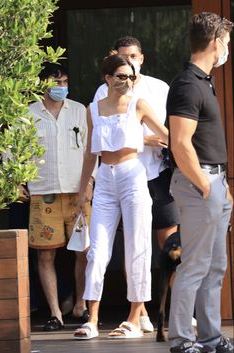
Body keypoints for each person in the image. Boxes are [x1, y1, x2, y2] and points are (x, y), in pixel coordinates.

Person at [73, 53, 168, 340]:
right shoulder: (93, 109)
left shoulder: (138, 104)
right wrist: (82, 189)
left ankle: (134, 318)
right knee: (98, 250)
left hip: (132, 174)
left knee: (137, 245)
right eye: (121, 76)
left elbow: (168, 135)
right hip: (104, 178)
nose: (127, 81)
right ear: (108, 78)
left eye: (131, 76)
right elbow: (91, 151)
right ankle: (92, 319)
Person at [94, 35, 180, 332]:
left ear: (141, 57)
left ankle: (174, 312)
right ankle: (138, 312)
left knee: (167, 245)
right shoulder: (102, 92)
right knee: (123, 245)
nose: (129, 62)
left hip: (156, 174)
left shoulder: (159, 88)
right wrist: (142, 138)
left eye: (133, 56)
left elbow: (170, 131)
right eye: (122, 56)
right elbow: (102, 136)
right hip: (118, 176)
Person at [166, 12, 233, 353]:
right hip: (199, 184)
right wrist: (206, 186)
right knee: (194, 265)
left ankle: (209, 338)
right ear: (214, 43)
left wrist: (221, 186)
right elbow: (180, 142)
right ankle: (181, 340)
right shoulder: (188, 83)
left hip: (214, 182)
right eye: (226, 42)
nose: (227, 48)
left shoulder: (204, 81)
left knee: (215, 266)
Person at [25, 62, 97, 331]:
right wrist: (18, 181)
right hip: (44, 193)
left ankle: (82, 304)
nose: (61, 87)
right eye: (57, 83)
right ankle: (56, 313)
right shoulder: (28, 114)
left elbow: (93, 150)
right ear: (43, 84)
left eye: (65, 82)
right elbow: (13, 151)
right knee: (45, 256)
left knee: (86, 251)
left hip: (79, 192)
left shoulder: (79, 111)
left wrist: (90, 181)